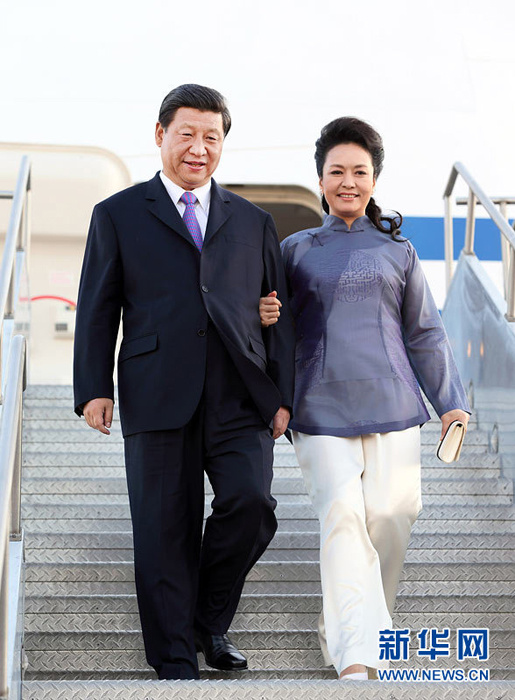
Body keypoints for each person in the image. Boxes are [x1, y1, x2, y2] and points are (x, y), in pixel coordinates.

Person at [73, 84, 295, 681]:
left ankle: (206, 621)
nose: (199, 148)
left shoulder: (253, 221)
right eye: (187, 135)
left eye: (212, 137)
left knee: (251, 504)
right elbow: (98, 306)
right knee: (163, 526)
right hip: (156, 389)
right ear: (160, 135)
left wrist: (282, 396)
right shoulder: (118, 213)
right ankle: (175, 662)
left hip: (239, 394)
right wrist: (94, 387)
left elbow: (278, 310)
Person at [259, 116, 470, 680]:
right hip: (319, 406)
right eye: (336, 171)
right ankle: (358, 657)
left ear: (374, 178)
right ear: (320, 179)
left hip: (395, 402)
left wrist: (451, 400)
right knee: (344, 515)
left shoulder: (398, 250)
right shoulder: (294, 249)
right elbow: (273, 330)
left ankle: (351, 624)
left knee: (394, 512)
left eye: (359, 171)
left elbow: (425, 331)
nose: (347, 181)